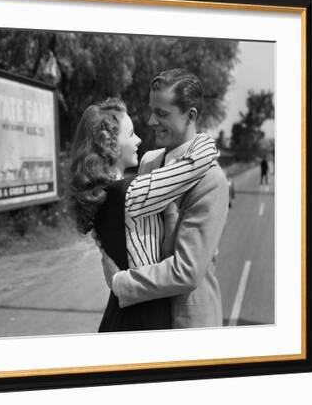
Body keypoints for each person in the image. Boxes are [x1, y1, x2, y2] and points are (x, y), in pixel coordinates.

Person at [68, 97, 218, 332]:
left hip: (122, 314)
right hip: (143, 320)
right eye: (131, 135)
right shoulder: (130, 193)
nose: (138, 140)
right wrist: (201, 137)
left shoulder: (101, 194)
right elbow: (195, 164)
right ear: (109, 142)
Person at [100, 69, 230, 329]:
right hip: (144, 316)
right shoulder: (148, 161)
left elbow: (187, 271)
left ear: (190, 115)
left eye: (161, 113)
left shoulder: (211, 180)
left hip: (186, 323)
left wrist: (121, 282)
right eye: (151, 110)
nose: (150, 121)